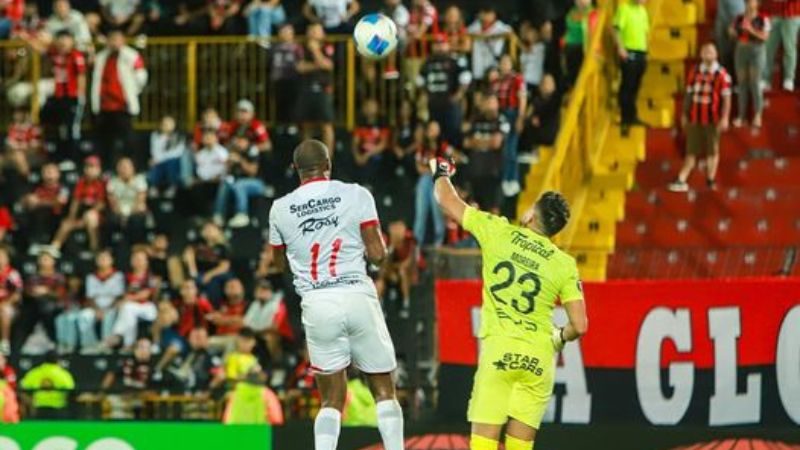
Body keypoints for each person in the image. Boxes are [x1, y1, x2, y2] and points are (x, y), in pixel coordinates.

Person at [429, 158, 588, 450]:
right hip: (538, 359)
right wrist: (559, 337)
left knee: (483, 446)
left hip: (499, 353)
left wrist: (441, 171)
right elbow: (580, 325)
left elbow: (446, 199)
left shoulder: (498, 232)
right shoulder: (564, 264)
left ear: (530, 215)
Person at [267, 140, 404, 450]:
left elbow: (278, 264)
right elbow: (378, 255)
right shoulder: (356, 194)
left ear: (295, 170)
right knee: (384, 390)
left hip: (317, 302)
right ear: (328, 165)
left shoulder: (280, 208)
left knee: (331, 399)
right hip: (356, 293)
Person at [668, 42, 732, 192]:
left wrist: (725, 117)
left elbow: (727, 98)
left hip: (713, 118)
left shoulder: (722, 74)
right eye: (705, 51)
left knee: (712, 151)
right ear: (701, 54)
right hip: (695, 117)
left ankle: (710, 180)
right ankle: (681, 179)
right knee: (691, 151)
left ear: (716, 54)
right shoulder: (694, 72)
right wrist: (684, 114)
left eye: (711, 51)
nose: (708, 54)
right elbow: (689, 95)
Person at [90, 28, 148, 168]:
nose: (114, 42)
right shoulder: (100, 57)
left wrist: (133, 92)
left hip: (122, 105)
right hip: (104, 106)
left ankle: (134, 167)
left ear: (123, 40)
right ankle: (107, 168)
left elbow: (141, 76)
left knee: (128, 140)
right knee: (105, 142)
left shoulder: (132, 55)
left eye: (117, 39)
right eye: (111, 39)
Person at [417, 34, 472, 148]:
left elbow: (466, 77)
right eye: (437, 44)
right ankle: (438, 163)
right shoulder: (427, 62)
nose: (439, 47)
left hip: (450, 104)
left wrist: (459, 94)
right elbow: (420, 80)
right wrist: (425, 95)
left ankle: (454, 163)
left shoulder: (456, 60)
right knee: (434, 136)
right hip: (433, 104)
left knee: (453, 133)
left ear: (448, 45)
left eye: (442, 44)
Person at [463, 92, 509, 212]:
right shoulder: (476, 120)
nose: (490, 106)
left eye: (493, 103)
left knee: (493, 211)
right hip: (475, 172)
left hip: (493, 173)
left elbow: (496, 143)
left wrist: (477, 141)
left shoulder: (501, 121)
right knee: (476, 210)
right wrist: (487, 141)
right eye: (488, 103)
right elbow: (466, 142)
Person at [14, 249, 67, 355]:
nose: (45, 261)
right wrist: (35, 293)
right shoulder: (33, 277)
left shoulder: (59, 277)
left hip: (53, 306)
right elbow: (26, 291)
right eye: (42, 259)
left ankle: (54, 342)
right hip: (34, 305)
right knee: (26, 313)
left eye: (47, 259)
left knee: (47, 310)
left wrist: (46, 291)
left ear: (53, 261)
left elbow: (61, 294)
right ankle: (19, 346)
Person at [51, 156, 107, 255]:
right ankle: (54, 247)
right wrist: (72, 217)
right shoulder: (81, 182)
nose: (90, 170)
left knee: (90, 217)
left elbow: (101, 204)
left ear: (99, 169)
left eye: (93, 167)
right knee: (66, 224)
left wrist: (89, 214)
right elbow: (76, 201)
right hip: (82, 215)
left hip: (99, 215)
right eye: (88, 167)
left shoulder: (102, 183)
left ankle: (94, 248)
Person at [106, 249, 159, 349]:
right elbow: (121, 293)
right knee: (125, 310)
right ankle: (127, 343)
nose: (138, 261)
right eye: (135, 259)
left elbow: (146, 294)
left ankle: (118, 335)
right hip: (130, 307)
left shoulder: (150, 276)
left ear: (146, 262)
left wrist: (128, 298)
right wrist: (124, 300)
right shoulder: (126, 276)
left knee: (127, 308)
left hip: (148, 307)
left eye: (140, 259)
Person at [297, 23, 336, 154]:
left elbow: (328, 65)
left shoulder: (328, 46)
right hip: (306, 89)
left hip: (323, 90)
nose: (313, 33)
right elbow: (300, 67)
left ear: (322, 34)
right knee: (306, 125)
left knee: (326, 125)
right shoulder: (301, 48)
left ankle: (328, 159)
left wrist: (315, 50)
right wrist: (318, 64)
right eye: (311, 30)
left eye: (316, 30)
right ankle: (307, 158)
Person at [731, 0, 770, 128]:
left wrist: (750, 30)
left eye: (751, 1)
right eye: (746, 1)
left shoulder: (763, 18)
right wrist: (731, 32)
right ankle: (741, 116)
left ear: (757, 3)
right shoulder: (739, 17)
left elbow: (764, 37)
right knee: (742, 83)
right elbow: (732, 32)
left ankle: (758, 115)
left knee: (755, 82)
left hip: (756, 51)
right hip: (741, 49)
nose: (748, 3)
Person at [492, 54, 528, 197]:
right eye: (502, 62)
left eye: (507, 62)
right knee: (504, 148)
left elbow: (522, 98)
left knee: (511, 148)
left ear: (512, 64)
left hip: (512, 114)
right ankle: (505, 178)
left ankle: (513, 179)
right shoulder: (496, 81)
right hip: (500, 115)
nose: (504, 65)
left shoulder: (518, 79)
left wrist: (520, 117)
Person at [413, 121, 452, 247]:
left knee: (438, 214)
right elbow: (419, 168)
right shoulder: (422, 148)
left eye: (435, 129)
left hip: (439, 181)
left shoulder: (444, 147)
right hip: (426, 181)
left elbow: (452, 162)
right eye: (431, 129)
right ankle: (416, 248)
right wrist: (434, 169)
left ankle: (438, 245)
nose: (433, 132)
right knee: (421, 214)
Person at [214, 135, 267, 228]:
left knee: (239, 184)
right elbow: (227, 173)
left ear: (247, 141)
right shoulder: (234, 151)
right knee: (225, 183)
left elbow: (252, 172)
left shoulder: (252, 151)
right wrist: (229, 163)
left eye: (241, 141)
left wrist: (240, 161)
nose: (239, 143)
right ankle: (219, 215)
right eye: (237, 140)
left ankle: (242, 214)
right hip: (237, 183)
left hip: (257, 183)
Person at [613, 0, 650, 133]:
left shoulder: (643, 11)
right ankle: (624, 116)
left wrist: (646, 51)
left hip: (641, 52)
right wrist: (621, 48)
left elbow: (645, 32)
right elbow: (616, 29)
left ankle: (632, 115)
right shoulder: (624, 9)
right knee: (627, 85)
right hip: (629, 51)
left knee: (636, 85)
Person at [183, 222, 231, 305]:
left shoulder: (222, 247)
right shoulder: (198, 244)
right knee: (195, 281)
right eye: (207, 228)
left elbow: (224, 266)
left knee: (214, 283)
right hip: (199, 272)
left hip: (215, 273)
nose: (209, 231)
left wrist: (209, 275)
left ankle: (213, 306)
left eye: (212, 229)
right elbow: (188, 255)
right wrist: (193, 271)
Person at [21, 163, 69, 246]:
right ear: (42, 174)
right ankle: (35, 242)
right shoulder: (36, 187)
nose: (49, 175)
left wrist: (40, 202)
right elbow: (27, 200)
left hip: (57, 218)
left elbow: (60, 202)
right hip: (37, 218)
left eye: (52, 172)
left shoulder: (63, 188)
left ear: (58, 174)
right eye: (47, 172)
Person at [20, 351, 75, 419]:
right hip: (59, 411)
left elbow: (21, 390)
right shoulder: (64, 374)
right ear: (58, 361)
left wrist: (31, 403)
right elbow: (71, 392)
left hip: (39, 411)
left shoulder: (34, 373)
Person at [107, 157, 148, 244]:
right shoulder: (112, 182)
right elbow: (113, 203)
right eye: (122, 167)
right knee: (112, 218)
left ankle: (137, 244)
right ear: (117, 169)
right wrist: (122, 216)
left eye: (127, 167)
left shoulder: (140, 180)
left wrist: (127, 217)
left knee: (138, 215)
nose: (124, 170)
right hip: (119, 211)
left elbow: (140, 200)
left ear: (133, 168)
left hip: (134, 210)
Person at [466, 6, 513, 80]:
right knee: (479, 80)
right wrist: (480, 35)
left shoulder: (499, 26)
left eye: (489, 13)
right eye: (484, 13)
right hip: (479, 59)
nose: (486, 16)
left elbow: (510, 32)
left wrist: (492, 36)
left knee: (493, 79)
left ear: (494, 15)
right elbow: (467, 32)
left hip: (493, 60)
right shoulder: (475, 26)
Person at [351, 98, 390, 187]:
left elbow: (383, 145)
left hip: (376, 155)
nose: (369, 108)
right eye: (367, 106)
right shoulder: (360, 125)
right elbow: (355, 143)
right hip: (362, 154)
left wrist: (367, 155)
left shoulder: (382, 124)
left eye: (372, 106)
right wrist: (357, 156)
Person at [762, 0, 800, 91]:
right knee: (768, 48)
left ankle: (789, 79)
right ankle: (766, 80)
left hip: (792, 14)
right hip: (775, 13)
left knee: (789, 48)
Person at [270, 23, 303, 125]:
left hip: (292, 79)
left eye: (287, 31)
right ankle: (280, 127)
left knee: (292, 105)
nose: (284, 34)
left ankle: (292, 127)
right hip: (278, 80)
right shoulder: (274, 47)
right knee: (279, 105)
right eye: (282, 31)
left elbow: (301, 62)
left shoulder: (297, 47)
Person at [564, 0, 596, 87]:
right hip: (571, 48)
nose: (581, 1)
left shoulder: (594, 13)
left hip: (586, 50)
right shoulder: (571, 12)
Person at [0, 247, 22, 355]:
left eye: (2, 256)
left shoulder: (12, 274)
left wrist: (6, 303)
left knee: (4, 311)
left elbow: (17, 294)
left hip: (9, 306)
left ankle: (4, 342)